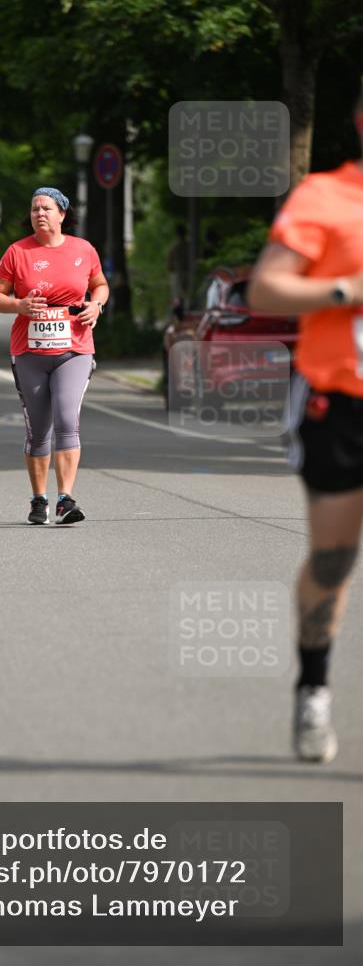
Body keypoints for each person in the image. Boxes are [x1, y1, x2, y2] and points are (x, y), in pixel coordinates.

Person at [248, 87, 363, 763]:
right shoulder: (324, 197)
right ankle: (313, 686)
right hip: (340, 402)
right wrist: (346, 289)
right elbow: (265, 288)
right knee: (333, 558)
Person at [0, 187, 109, 524]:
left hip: (75, 347)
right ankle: (39, 499)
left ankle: (65, 499)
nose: (39, 213)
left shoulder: (83, 250)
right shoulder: (17, 252)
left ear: (62, 214)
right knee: (39, 430)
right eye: (35, 208)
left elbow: (100, 284)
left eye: (47, 208)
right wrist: (17, 305)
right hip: (29, 351)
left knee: (67, 420)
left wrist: (96, 304)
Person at [167, 223, 189, 301]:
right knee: (185, 294)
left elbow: (169, 264)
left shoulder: (174, 247)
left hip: (178, 273)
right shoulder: (189, 246)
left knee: (177, 296)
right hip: (186, 272)